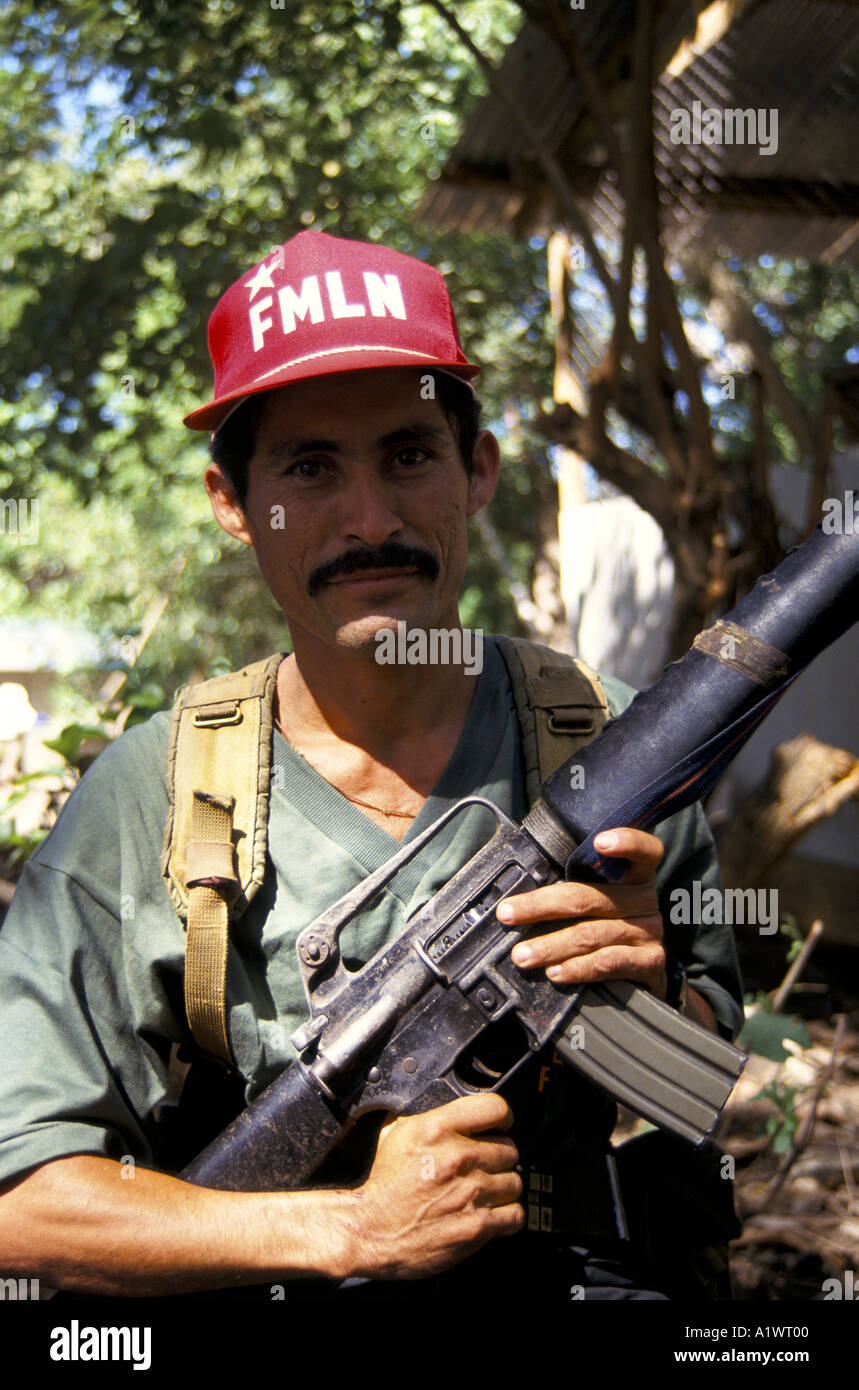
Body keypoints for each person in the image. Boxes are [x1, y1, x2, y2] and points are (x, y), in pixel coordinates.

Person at [0, 230, 742, 1300]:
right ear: (232, 503)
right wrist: (348, 1229)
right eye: (310, 467)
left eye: (409, 454)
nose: (371, 520)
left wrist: (649, 988)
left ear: (476, 471)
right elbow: (25, 1202)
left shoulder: (616, 749)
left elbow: (695, 1084)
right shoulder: (149, 796)